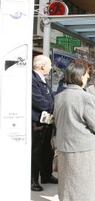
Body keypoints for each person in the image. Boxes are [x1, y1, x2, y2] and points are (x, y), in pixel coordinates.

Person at [54, 62, 95, 201]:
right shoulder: (86, 97)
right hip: (83, 149)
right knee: (84, 188)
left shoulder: (59, 96)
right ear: (80, 76)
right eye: (87, 74)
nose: (88, 76)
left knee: (68, 186)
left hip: (64, 146)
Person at [31, 55, 57, 191]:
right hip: (37, 122)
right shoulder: (32, 79)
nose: (51, 67)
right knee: (36, 151)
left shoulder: (42, 79)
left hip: (47, 121)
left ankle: (46, 175)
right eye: (49, 64)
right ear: (42, 66)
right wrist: (52, 107)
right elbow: (38, 101)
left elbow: (50, 98)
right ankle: (33, 180)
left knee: (47, 150)